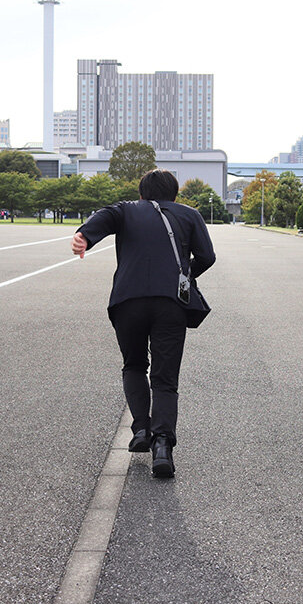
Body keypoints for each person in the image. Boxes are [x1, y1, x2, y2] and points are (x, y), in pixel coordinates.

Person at [71, 170, 216, 478]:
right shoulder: (190, 215)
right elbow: (207, 256)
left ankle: (140, 430)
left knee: (135, 365)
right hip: (170, 304)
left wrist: (84, 236)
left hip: (128, 301)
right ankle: (162, 446)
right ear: (174, 193)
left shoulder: (126, 210)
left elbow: (105, 216)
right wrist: (184, 276)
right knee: (165, 377)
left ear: (141, 192)